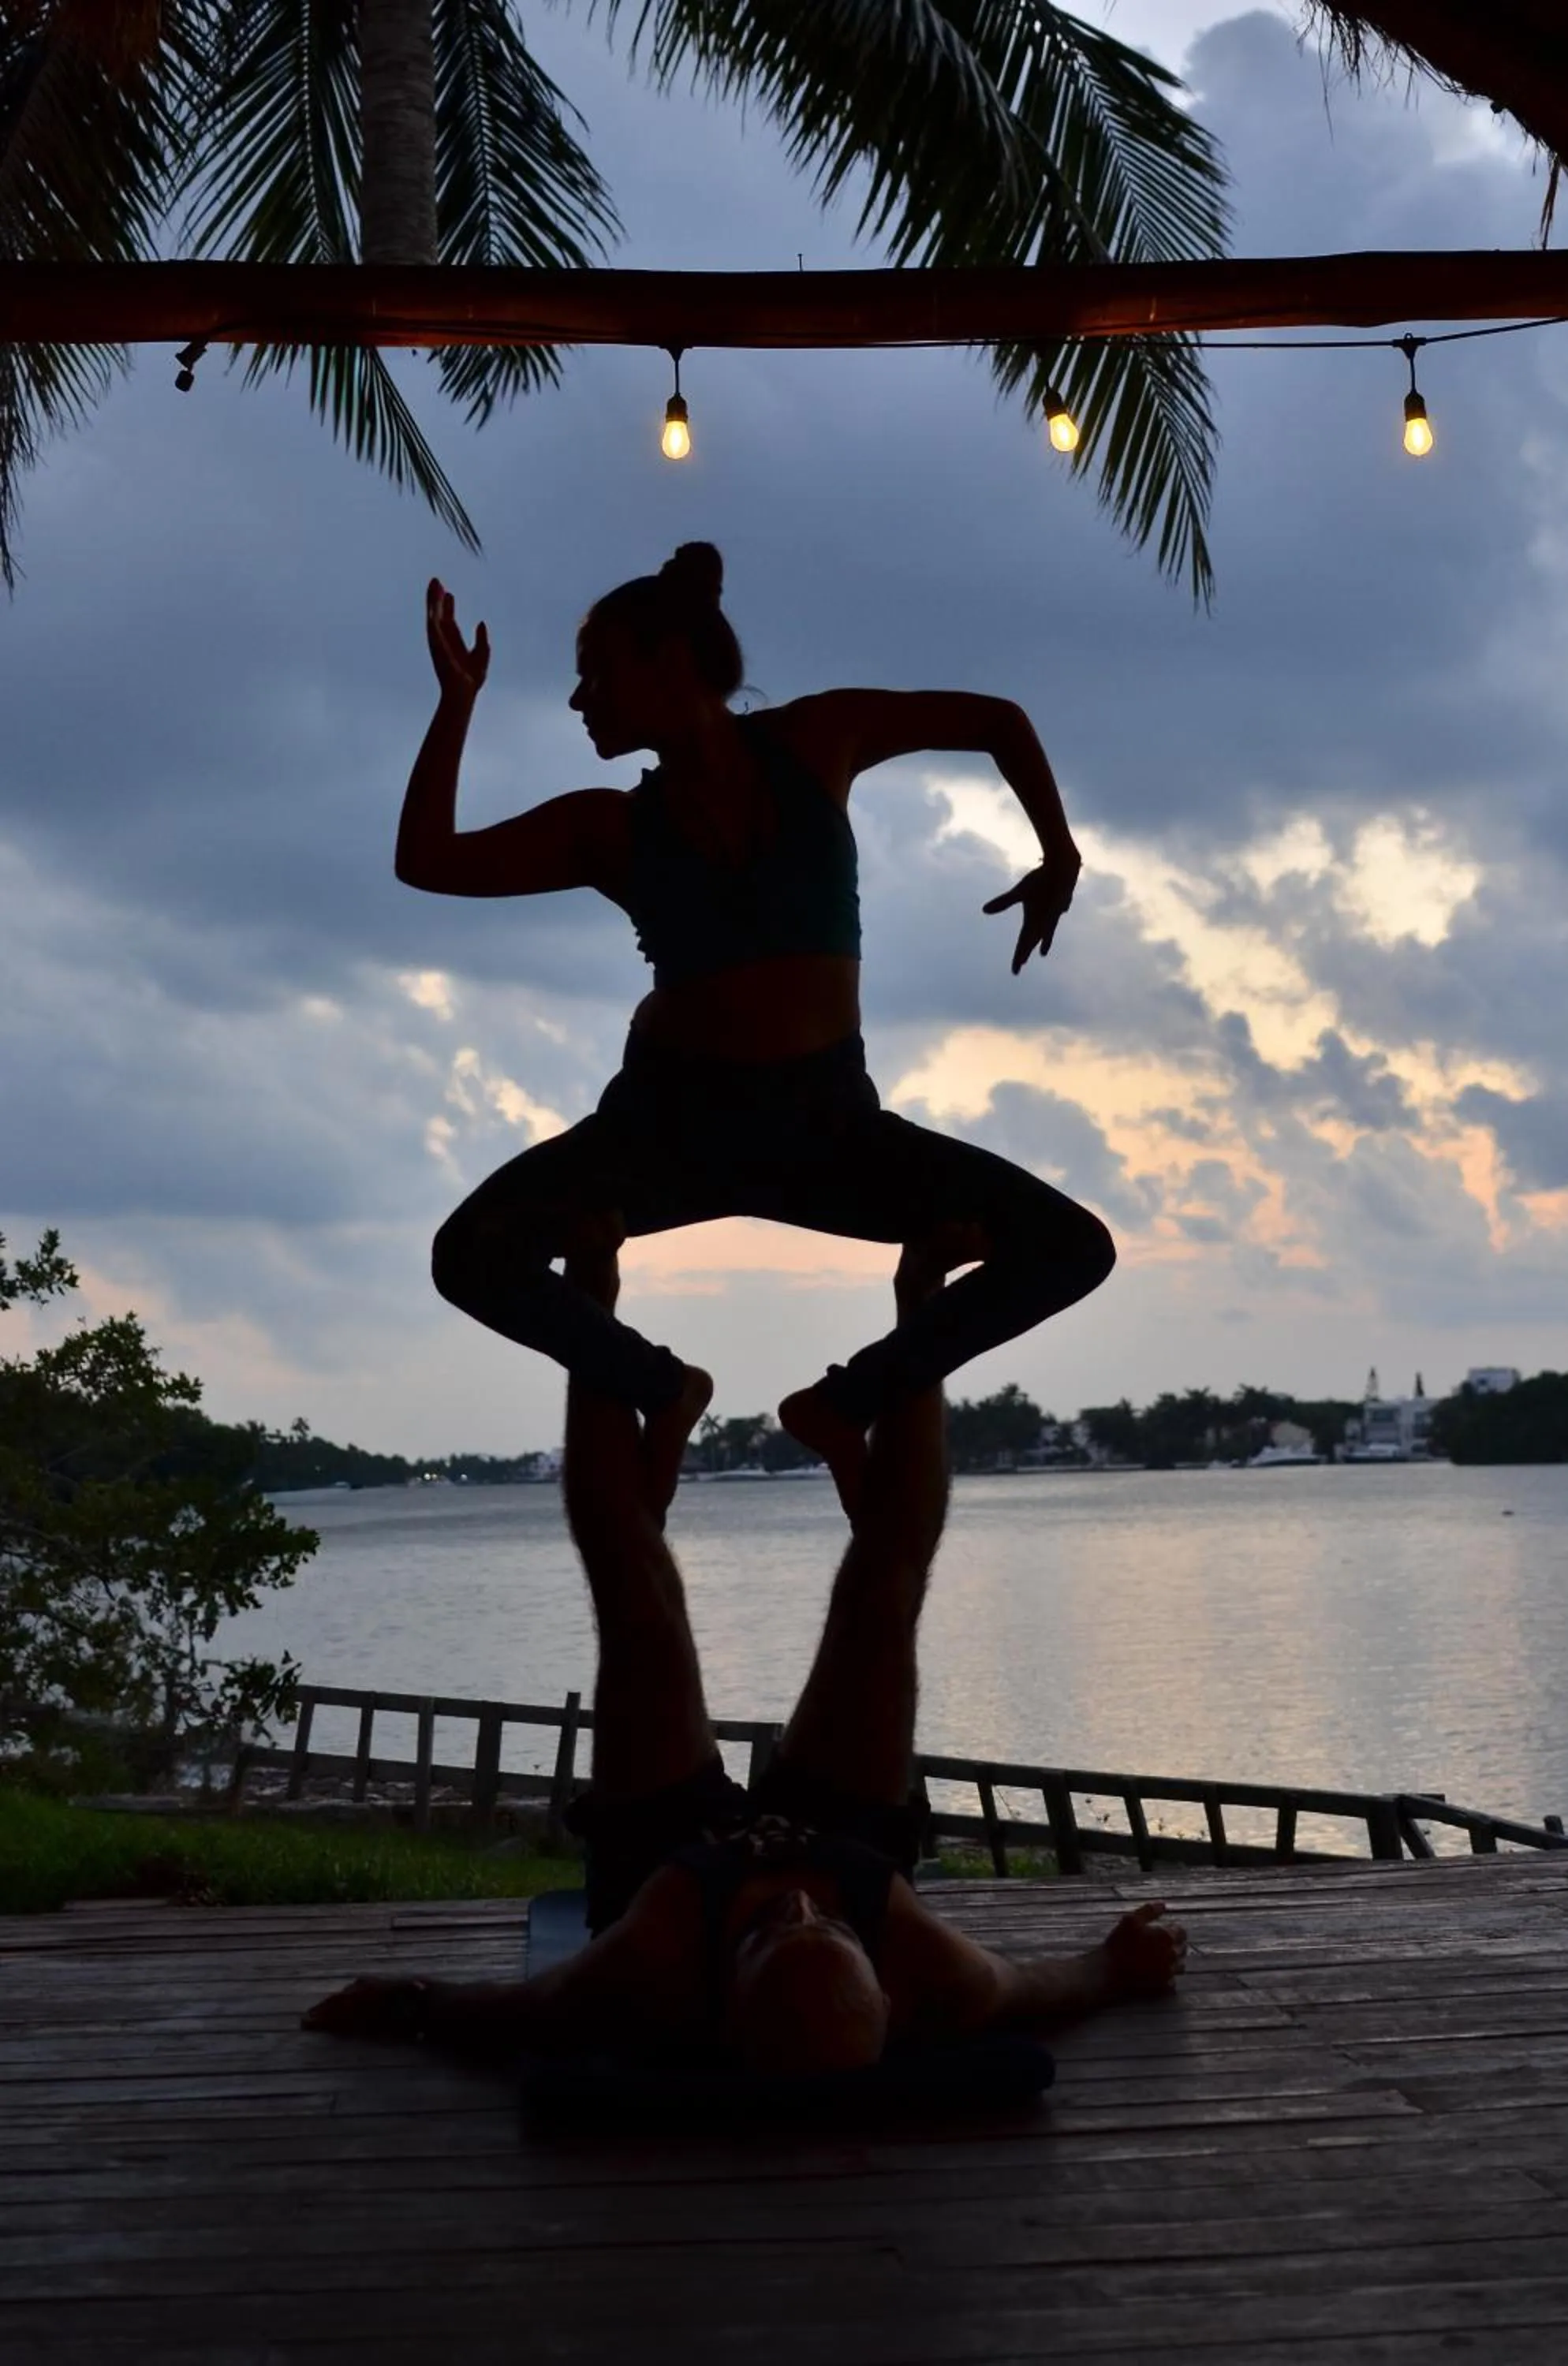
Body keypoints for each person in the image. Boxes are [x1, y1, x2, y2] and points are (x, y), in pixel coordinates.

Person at [302, 1226, 1185, 2072]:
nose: (792, 1894)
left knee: (632, 1593)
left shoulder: (640, 1974)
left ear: (721, 1995)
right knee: (885, 1592)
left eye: (773, 1929)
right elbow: (1060, 1982)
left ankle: (590, 1279)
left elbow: (484, 2014)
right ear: (882, 1975)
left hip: (666, 1869)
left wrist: (397, 1999)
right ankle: (921, 1294)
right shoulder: (940, 1977)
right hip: (848, 1842)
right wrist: (1120, 1962)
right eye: (826, 1927)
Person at [400, 544, 1114, 1517]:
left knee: (1071, 1249)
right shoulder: (605, 827)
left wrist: (1058, 851)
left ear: (667, 661)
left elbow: (993, 720)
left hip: (827, 1126)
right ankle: (661, 1386)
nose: (577, 701)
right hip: (663, 1129)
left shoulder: (818, 738)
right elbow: (429, 860)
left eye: (595, 673)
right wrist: (455, 703)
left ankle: (842, 1403)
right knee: (467, 1257)